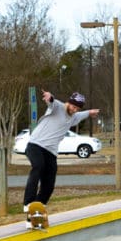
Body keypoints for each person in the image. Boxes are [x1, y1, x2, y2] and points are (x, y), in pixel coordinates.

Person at [23, 91, 99, 222]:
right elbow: (52, 102)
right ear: (68, 103)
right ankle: (28, 202)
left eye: (77, 108)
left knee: (49, 185)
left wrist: (90, 112)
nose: (74, 110)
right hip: (35, 145)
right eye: (73, 107)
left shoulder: (74, 116)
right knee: (38, 166)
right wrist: (49, 97)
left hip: (51, 152)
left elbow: (82, 114)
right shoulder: (58, 107)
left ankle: (35, 213)